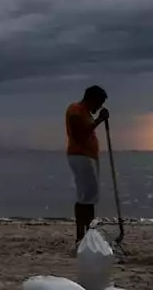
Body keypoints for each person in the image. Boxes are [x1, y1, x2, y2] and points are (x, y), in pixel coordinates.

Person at [66, 85, 109, 244]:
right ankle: (82, 236)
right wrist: (99, 120)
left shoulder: (85, 113)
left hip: (87, 157)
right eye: (99, 103)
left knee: (88, 196)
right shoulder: (75, 110)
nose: (99, 107)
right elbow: (80, 135)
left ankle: (88, 233)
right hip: (80, 157)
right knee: (85, 197)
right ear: (92, 99)